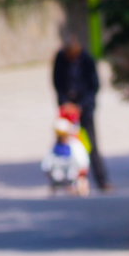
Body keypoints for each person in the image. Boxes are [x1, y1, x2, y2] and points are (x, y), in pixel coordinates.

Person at [52, 36, 110, 190]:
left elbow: (94, 87)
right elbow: (57, 83)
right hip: (66, 111)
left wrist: (80, 106)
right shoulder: (60, 58)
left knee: (90, 144)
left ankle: (102, 181)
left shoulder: (87, 60)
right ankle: (66, 181)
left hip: (84, 110)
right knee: (64, 145)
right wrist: (65, 103)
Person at [42, 118, 90, 196]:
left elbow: (83, 161)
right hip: (57, 175)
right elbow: (46, 163)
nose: (61, 137)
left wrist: (81, 171)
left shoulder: (74, 144)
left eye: (63, 134)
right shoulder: (54, 146)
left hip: (73, 175)